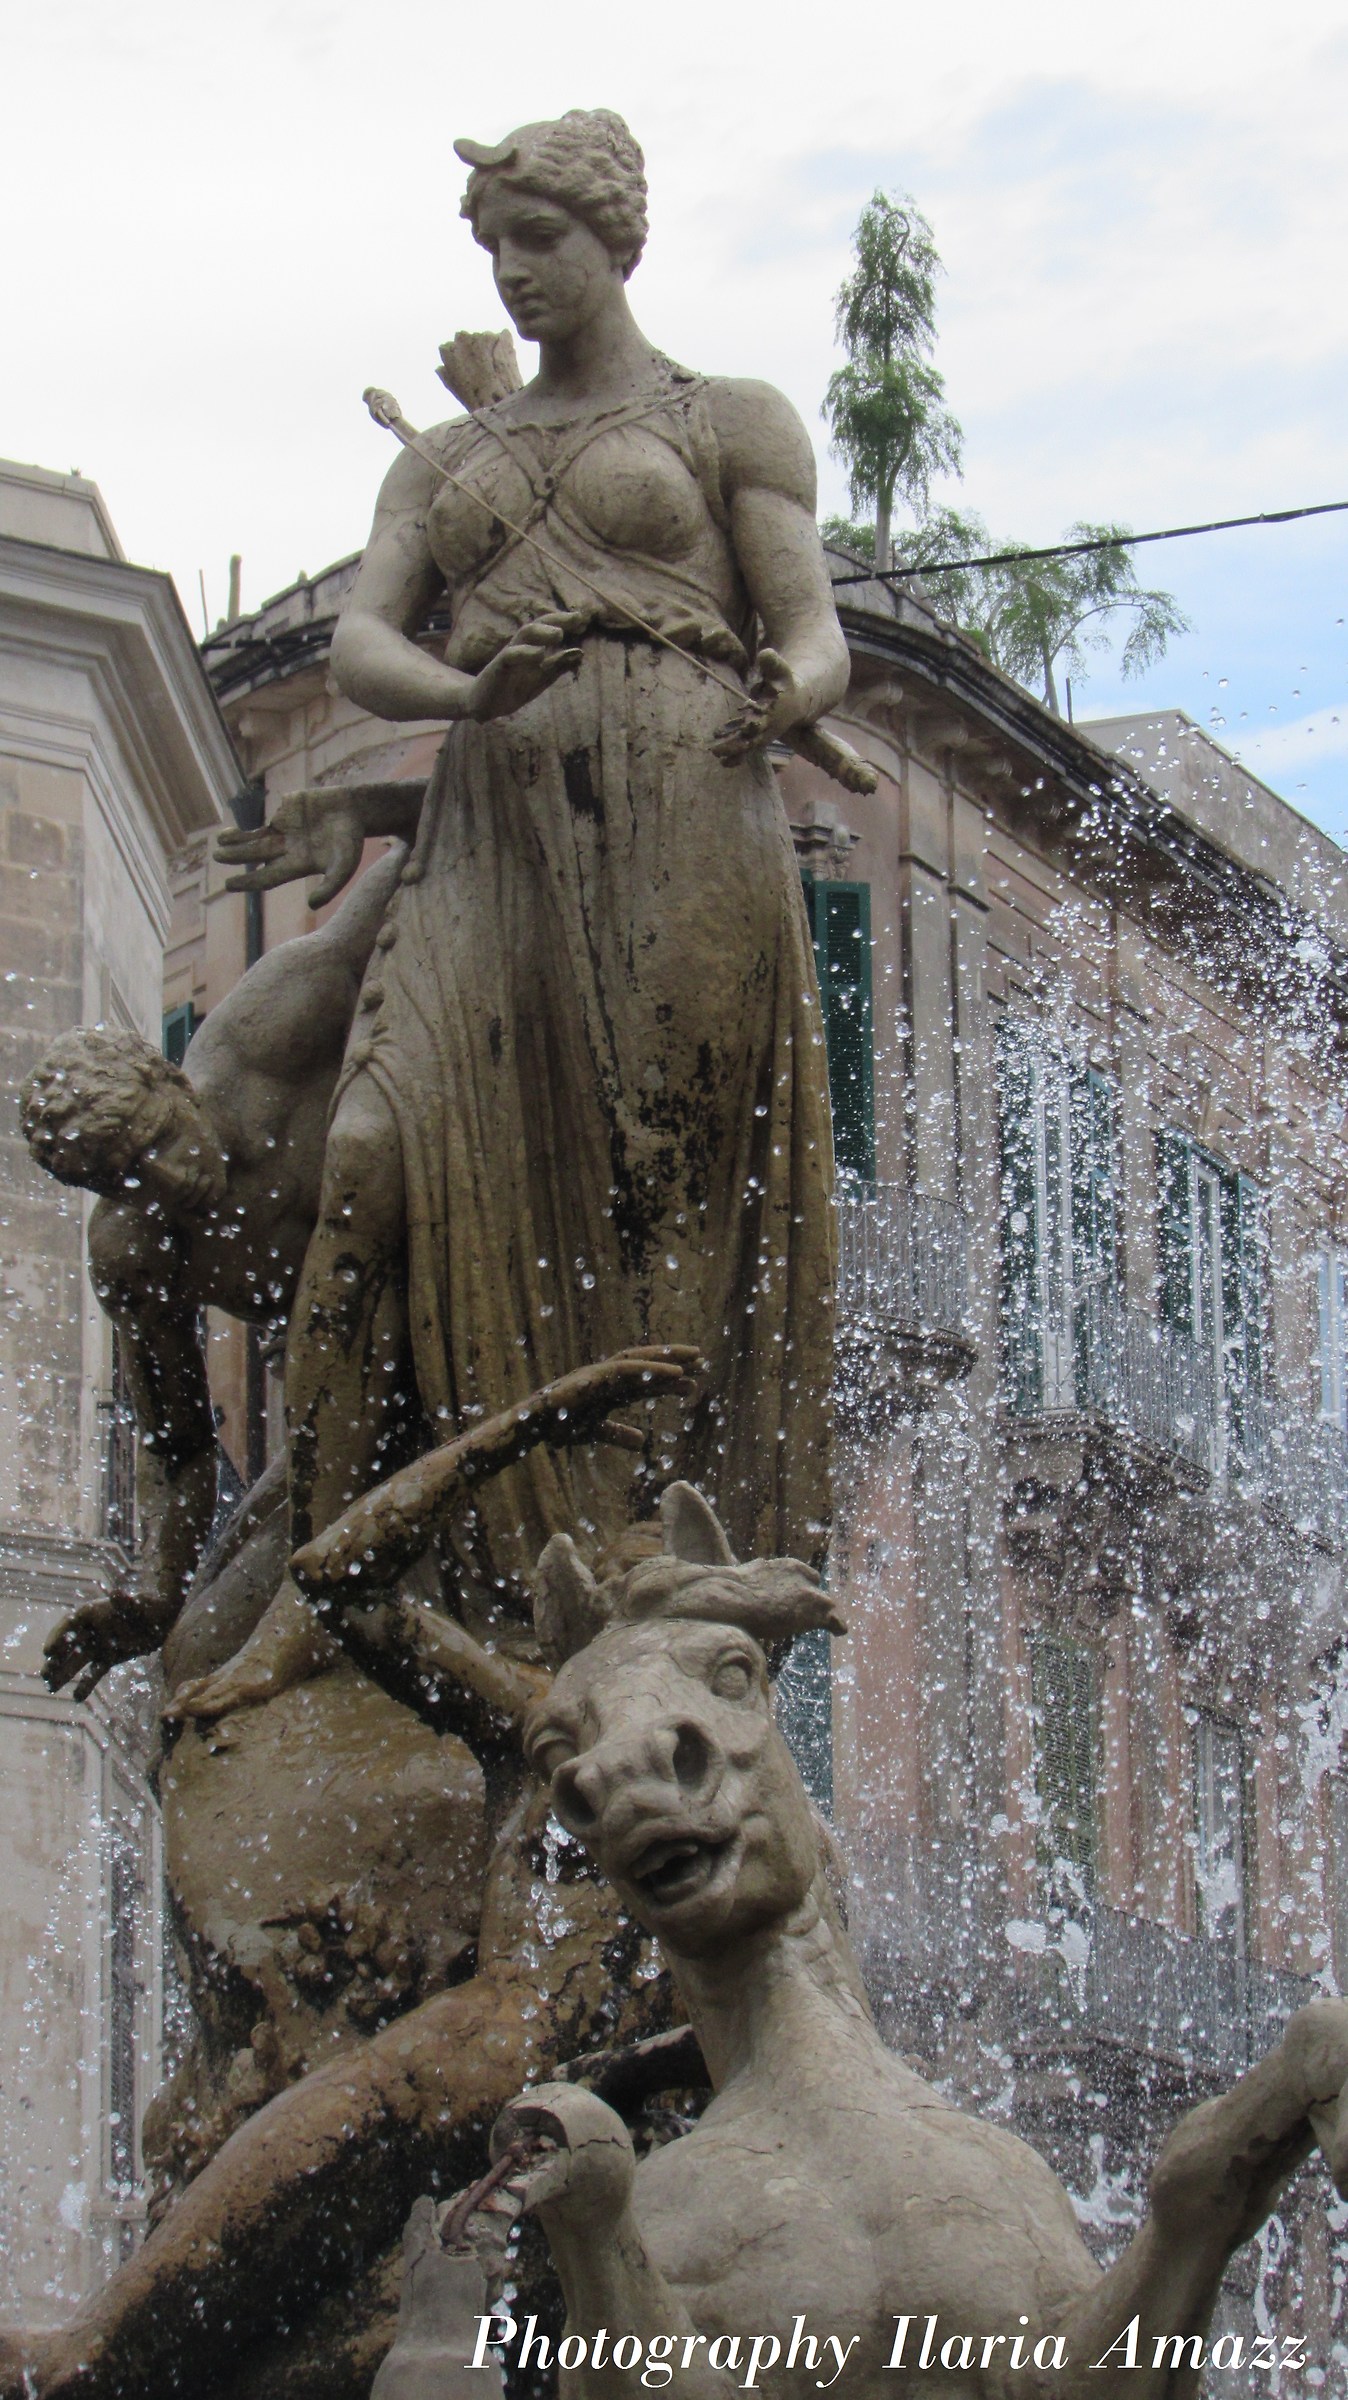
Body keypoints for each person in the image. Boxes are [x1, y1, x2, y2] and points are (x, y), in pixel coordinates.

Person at [178, 103, 846, 1721]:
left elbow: (812, 626)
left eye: (536, 239)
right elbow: (361, 651)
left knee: (661, 1193)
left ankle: (638, 1533)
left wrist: (783, 695)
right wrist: (473, 686)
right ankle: (330, 1576)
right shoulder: (449, 459)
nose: (514, 273)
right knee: (371, 1158)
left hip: (686, 811)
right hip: (492, 830)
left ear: (616, 235)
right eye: (493, 248)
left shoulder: (729, 419)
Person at [20, 839, 408, 1693]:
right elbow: (179, 1442)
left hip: (451, 1301)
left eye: (159, 1142)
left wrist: (372, 811)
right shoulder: (133, 1254)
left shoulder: (267, 1029)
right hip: (340, 1414)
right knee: (197, 1657)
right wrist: (156, 1594)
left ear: (173, 1079)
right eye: (127, 1178)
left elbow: (418, 865)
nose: (167, 1179)